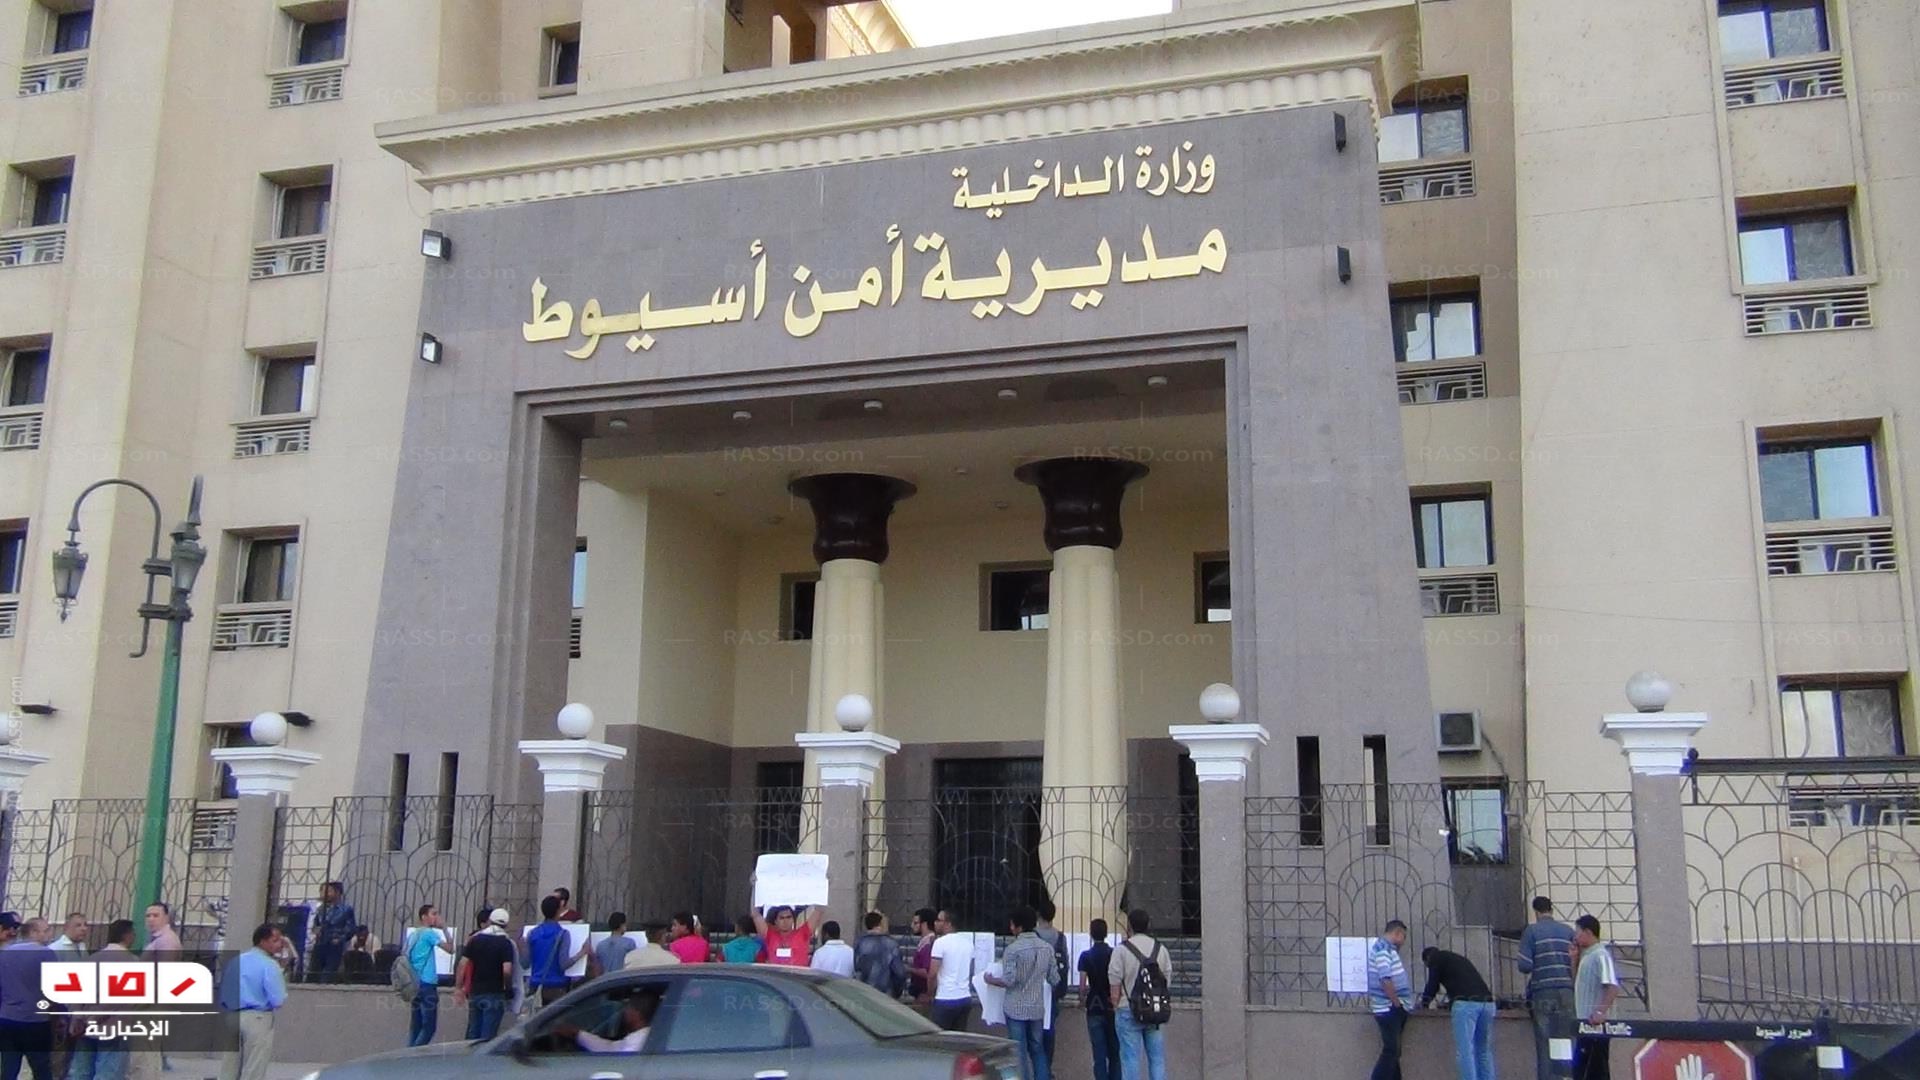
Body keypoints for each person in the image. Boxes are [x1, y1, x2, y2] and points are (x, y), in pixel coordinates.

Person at [985, 906, 1057, 1080]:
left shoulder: (1013, 949)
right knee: (1038, 1049)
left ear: (1019, 926)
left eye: (1012, 924)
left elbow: (1009, 980)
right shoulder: (1047, 948)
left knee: (1018, 1051)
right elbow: (1054, 979)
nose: (1010, 928)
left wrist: (991, 980)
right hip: (1037, 1007)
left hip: (1015, 1007)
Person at [217, 924, 287, 1080]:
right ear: (263, 941)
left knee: (229, 1065)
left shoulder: (236, 961)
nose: (279, 944)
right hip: (257, 1017)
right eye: (275, 940)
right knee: (254, 1065)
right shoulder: (269, 964)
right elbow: (278, 1000)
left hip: (232, 1016)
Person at [1518, 896, 1577, 1080]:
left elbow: (1524, 965)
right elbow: (1577, 960)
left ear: (1536, 912)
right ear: (1551, 910)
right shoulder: (1568, 931)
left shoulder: (1531, 931)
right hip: (1567, 991)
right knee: (1565, 1041)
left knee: (1544, 1043)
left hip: (1543, 991)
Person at [67, 920, 134, 1080]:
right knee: (108, 1072)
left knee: (81, 1071)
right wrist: (94, 1018)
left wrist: (78, 1019)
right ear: (128, 936)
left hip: (83, 1027)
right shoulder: (131, 962)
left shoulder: (91, 959)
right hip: (113, 1026)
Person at [1109, 908, 1170, 1080]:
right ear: (1148, 925)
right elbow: (1166, 982)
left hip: (1127, 1008)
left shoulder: (1121, 950)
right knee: (1157, 1059)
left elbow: (1114, 986)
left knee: (1130, 1059)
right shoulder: (1161, 949)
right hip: (1154, 1010)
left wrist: (1116, 1005)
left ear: (1129, 926)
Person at [1419, 946, 1497, 1080]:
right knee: (1483, 1051)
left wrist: (1424, 1004)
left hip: (1466, 1005)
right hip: (1488, 1003)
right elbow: (1465, 983)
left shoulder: (1435, 959)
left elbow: (1432, 985)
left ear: (1427, 960)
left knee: (1465, 1051)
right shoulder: (1458, 959)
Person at [0, 917, 56, 1080]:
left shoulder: (5, 953)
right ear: (34, 932)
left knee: (9, 1067)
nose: (50, 934)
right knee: (41, 1069)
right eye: (46, 930)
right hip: (35, 1021)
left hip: (8, 1018)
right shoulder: (46, 953)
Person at [455, 909, 517, 1041]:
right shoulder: (505, 943)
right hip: (495, 993)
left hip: (475, 992)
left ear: (490, 920)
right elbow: (506, 970)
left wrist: (458, 987)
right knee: (488, 1036)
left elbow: (462, 964)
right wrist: (508, 989)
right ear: (506, 924)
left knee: (473, 1032)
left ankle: (468, 1054)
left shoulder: (476, 939)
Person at [1571, 916, 1619, 1080]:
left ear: (1588, 932)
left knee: (1596, 1071)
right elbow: (1578, 983)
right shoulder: (1586, 956)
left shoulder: (1601, 955)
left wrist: (1600, 1012)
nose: (1576, 937)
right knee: (1581, 1071)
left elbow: (1612, 986)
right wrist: (1574, 960)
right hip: (1584, 1024)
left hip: (1596, 1026)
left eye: (1578, 933)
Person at [402, 905, 454, 1048]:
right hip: (427, 983)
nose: (436, 917)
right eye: (433, 914)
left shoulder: (413, 934)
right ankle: (415, 1053)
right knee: (429, 1026)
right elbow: (450, 949)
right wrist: (444, 928)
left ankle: (408, 1053)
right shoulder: (429, 933)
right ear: (424, 917)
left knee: (416, 1025)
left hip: (414, 983)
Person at [1368, 921, 1412, 1080]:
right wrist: (1396, 1003)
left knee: (1394, 1052)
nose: (1403, 942)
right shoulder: (1383, 949)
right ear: (1397, 933)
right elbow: (1385, 978)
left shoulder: (1387, 949)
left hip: (1391, 1007)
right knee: (1391, 1050)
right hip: (1388, 1008)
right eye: (1403, 937)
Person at [1079, 918, 1121, 1080]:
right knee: (1115, 1052)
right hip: (1112, 1005)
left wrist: (1082, 999)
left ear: (1091, 933)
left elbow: (1082, 985)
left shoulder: (1085, 956)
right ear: (1106, 933)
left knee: (1099, 1055)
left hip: (1094, 1006)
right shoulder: (1114, 954)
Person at [527, 895, 589, 1005]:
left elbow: (525, 963)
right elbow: (564, 964)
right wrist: (582, 953)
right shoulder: (562, 934)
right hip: (556, 986)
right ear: (558, 911)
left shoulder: (532, 933)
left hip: (535, 985)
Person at [554, 989, 659, 1054]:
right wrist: (577, 1034)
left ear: (635, 1014)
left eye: (627, 1007)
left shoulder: (638, 1042)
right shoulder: (642, 1037)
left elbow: (615, 1059)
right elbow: (610, 1048)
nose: (624, 1011)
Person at [1034, 900, 1069, 1073]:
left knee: (1035, 1032)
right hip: (1053, 990)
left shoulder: (1033, 935)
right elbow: (1066, 964)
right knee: (1050, 1029)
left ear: (1038, 915)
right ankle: (1047, 1068)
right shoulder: (1060, 937)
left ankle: (1038, 1070)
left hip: (1035, 989)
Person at [925, 909, 974, 1032]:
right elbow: (971, 969)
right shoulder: (968, 943)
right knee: (958, 1037)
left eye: (939, 920)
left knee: (939, 1036)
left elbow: (932, 973)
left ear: (948, 923)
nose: (935, 923)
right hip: (964, 997)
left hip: (945, 997)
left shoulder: (940, 943)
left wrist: (930, 993)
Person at [309, 883, 356, 979]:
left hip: (334, 946)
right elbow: (316, 924)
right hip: (320, 944)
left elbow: (351, 928)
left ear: (337, 893)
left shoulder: (346, 909)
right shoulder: (321, 909)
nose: (325, 894)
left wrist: (339, 939)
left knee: (328, 975)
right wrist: (316, 931)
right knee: (314, 974)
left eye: (329, 891)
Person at [853, 912, 905, 996]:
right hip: (886, 993)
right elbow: (899, 972)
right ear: (880, 924)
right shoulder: (891, 944)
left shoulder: (860, 943)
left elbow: (857, 969)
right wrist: (897, 991)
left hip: (865, 993)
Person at [752, 905, 821, 968]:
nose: (785, 921)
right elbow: (755, 915)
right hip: (776, 976)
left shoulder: (802, 933)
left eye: (788, 917)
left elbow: (819, 910)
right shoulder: (770, 936)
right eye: (781, 918)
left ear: (793, 919)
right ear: (776, 921)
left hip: (798, 976)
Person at [907, 908, 938, 1001]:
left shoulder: (929, 944)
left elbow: (928, 972)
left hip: (924, 992)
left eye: (916, 923)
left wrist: (909, 969)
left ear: (924, 924)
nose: (912, 926)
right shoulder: (925, 942)